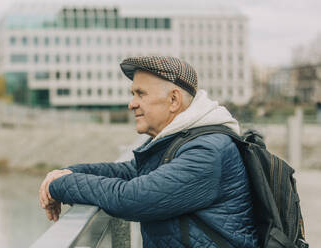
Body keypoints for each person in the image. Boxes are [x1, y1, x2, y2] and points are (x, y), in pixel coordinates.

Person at [39, 56, 259, 248]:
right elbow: (129, 172)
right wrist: (66, 173)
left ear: (174, 100)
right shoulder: (181, 140)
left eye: (140, 94)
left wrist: (59, 186)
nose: (131, 104)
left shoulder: (208, 150)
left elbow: (133, 198)